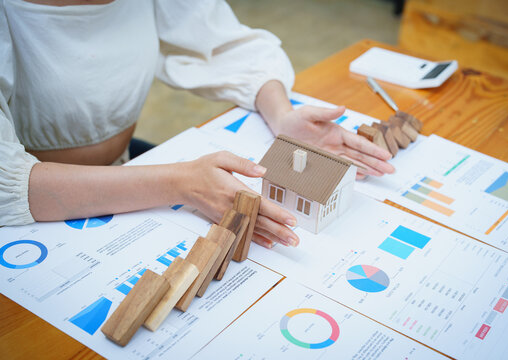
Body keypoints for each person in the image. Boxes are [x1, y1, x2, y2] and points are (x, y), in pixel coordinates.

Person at [0, 0, 394, 248]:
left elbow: (223, 44)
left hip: (124, 168)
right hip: (30, 218)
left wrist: (282, 114)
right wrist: (179, 182)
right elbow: (8, 188)